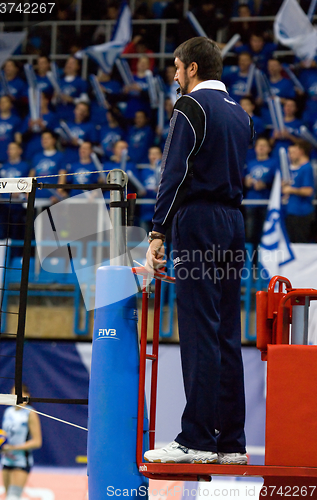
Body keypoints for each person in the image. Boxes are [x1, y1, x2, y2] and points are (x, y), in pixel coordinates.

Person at [144, 37, 253, 465]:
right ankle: (231, 442)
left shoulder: (190, 107)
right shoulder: (242, 116)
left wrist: (157, 233)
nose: (173, 75)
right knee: (227, 330)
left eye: (175, 67)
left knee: (198, 329)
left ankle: (196, 440)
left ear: (191, 68)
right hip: (233, 225)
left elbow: (175, 171)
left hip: (200, 223)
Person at [0, 384, 42, 500]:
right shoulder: (8, 412)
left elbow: (37, 442)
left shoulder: (30, 413)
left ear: (26, 395)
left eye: (19, 394)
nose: (16, 396)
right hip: (6, 459)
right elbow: (4, 437)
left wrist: (13, 448)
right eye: (13, 393)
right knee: (7, 496)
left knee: (13, 497)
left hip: (22, 461)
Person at [282, 140, 315, 243]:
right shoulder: (296, 169)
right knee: (292, 242)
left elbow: (308, 191)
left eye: (293, 152)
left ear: (301, 151)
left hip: (301, 212)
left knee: (300, 243)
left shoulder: (307, 168)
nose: (290, 155)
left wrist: (290, 189)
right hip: (292, 211)